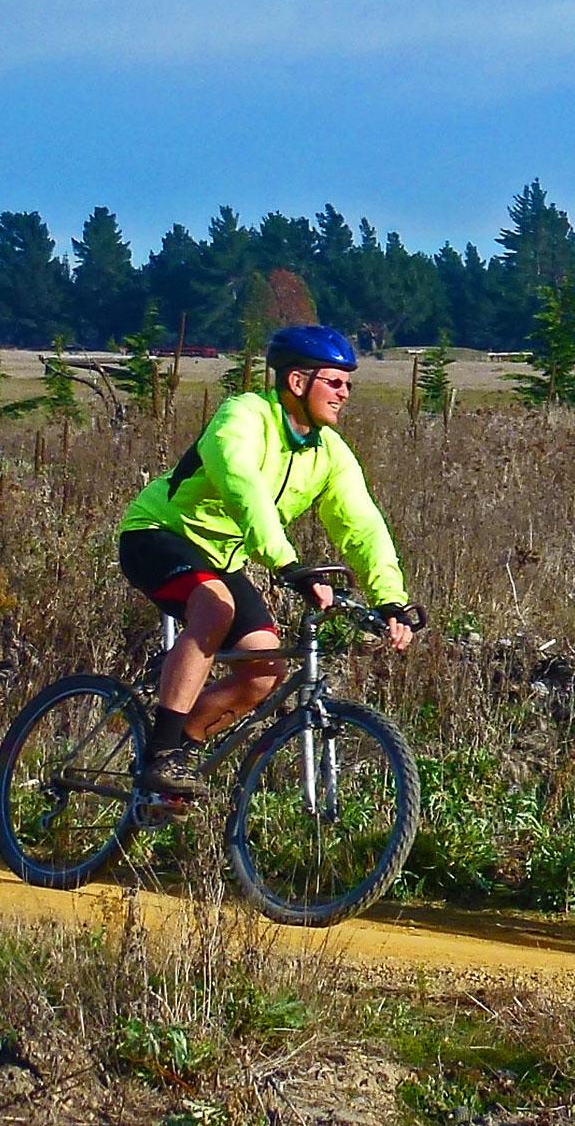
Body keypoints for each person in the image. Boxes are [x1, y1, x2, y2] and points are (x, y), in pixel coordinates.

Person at [117, 324, 418, 797]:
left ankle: (179, 759)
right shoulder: (244, 416)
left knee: (264, 671)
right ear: (297, 382)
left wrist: (390, 600)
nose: (345, 393)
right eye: (334, 382)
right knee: (215, 608)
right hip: (159, 534)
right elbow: (243, 486)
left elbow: (362, 525)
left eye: (348, 384)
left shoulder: (330, 453)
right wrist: (286, 562)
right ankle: (159, 753)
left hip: (224, 558)